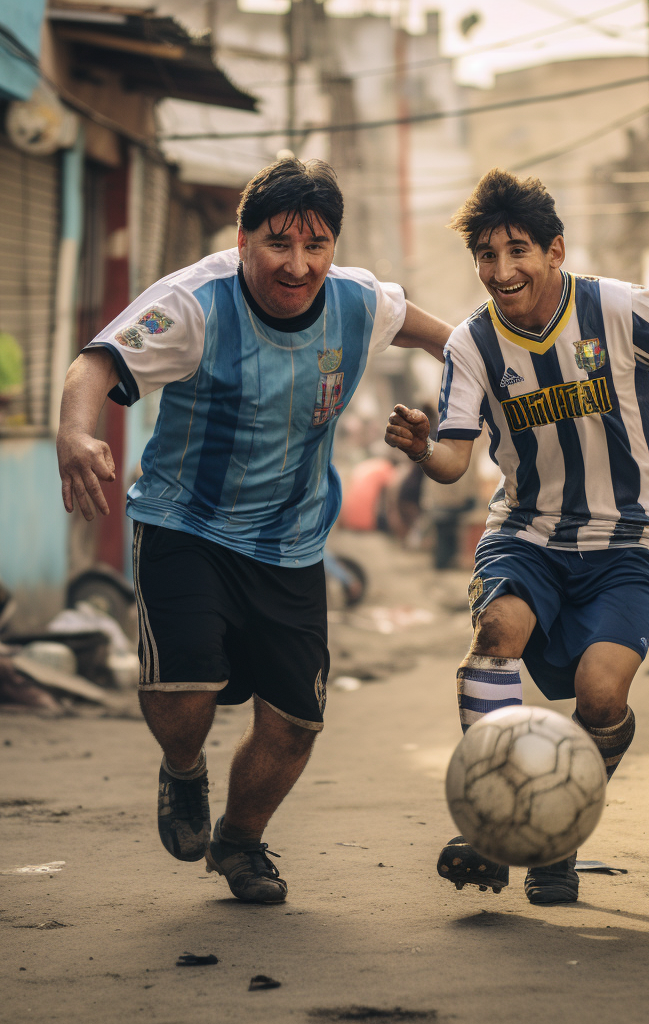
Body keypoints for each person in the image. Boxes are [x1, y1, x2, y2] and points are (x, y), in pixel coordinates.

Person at [57, 157, 451, 904]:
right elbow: (95, 363)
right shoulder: (194, 304)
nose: (297, 265)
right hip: (186, 523)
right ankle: (183, 771)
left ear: (335, 245)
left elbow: (455, 342)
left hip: (291, 541)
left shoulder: (362, 303)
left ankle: (239, 843)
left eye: (317, 245)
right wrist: (77, 434)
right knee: (186, 688)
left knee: (296, 722)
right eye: (278, 244)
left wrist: (462, 421)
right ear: (244, 240)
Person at [384, 169, 649, 905]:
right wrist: (420, 449)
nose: (502, 271)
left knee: (600, 696)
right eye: (487, 256)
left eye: (518, 251)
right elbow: (453, 462)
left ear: (555, 250)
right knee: (494, 629)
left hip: (634, 539)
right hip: (528, 533)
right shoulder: (471, 344)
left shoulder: (619, 309)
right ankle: (495, 829)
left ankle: (555, 835)